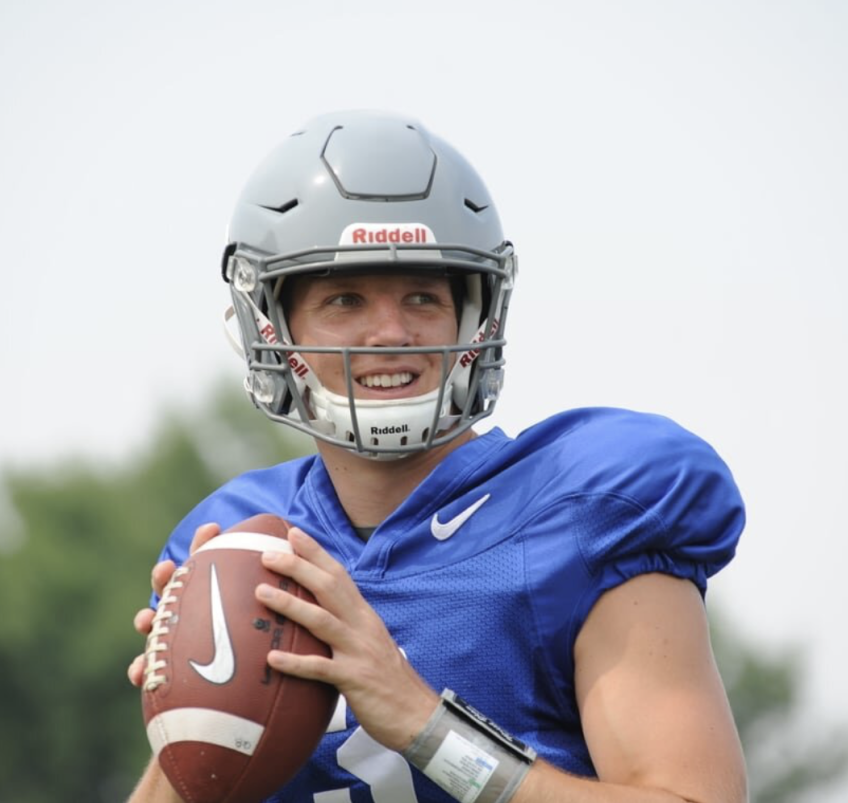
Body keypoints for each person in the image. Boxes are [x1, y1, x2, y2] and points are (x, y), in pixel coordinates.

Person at [127, 110, 748, 803]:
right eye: (344, 298)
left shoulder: (586, 504)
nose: (390, 332)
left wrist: (426, 727)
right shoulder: (240, 539)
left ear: (473, 316)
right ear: (272, 327)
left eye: (423, 295)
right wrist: (191, 735)